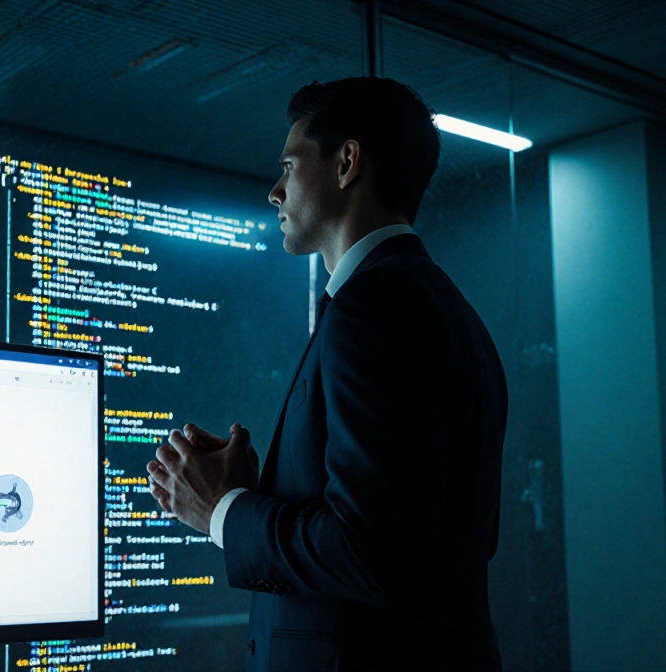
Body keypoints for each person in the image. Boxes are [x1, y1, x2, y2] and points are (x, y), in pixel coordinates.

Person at [145, 77, 508, 671]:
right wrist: (262, 493)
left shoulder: (375, 307)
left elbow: (373, 553)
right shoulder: (447, 309)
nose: (275, 191)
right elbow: (417, 533)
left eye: (289, 166)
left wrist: (223, 510)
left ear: (346, 163)